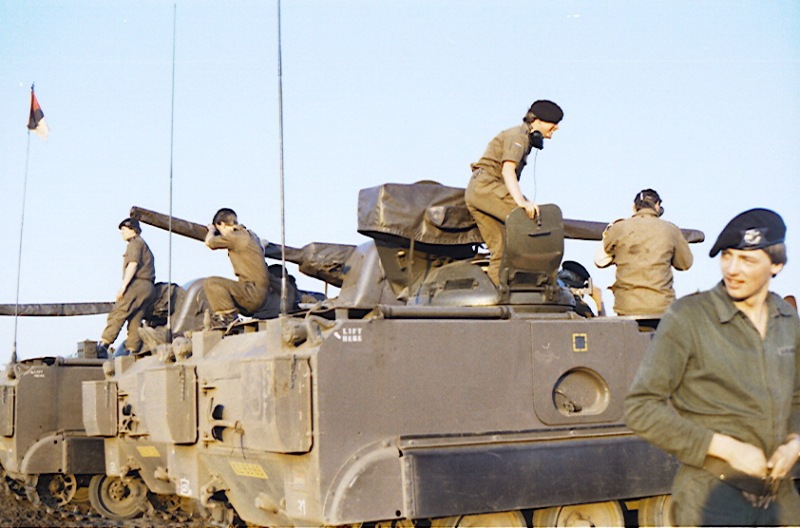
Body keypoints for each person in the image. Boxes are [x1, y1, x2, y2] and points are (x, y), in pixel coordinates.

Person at [624, 208, 800, 526]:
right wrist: (724, 448)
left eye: (747, 260)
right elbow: (641, 407)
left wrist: (795, 443)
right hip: (711, 503)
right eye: (727, 256)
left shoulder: (788, 321)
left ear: (776, 264)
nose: (732, 269)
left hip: (781, 505)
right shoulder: (689, 317)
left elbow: (797, 397)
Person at [465, 100, 563, 285]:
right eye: (553, 122)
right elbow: (508, 170)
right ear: (537, 121)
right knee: (532, 223)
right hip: (488, 187)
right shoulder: (519, 136)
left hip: (479, 191)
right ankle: (545, 284)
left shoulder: (523, 137)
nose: (556, 127)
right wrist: (521, 203)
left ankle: (498, 294)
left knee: (501, 249)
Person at [595, 189, 693, 316]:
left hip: (627, 308)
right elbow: (685, 264)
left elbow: (600, 260)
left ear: (634, 208)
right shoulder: (671, 230)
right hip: (662, 308)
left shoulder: (618, 228)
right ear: (657, 205)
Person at [97, 218, 156, 357]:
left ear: (132, 230)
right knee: (136, 318)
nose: (122, 233)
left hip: (137, 284)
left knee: (119, 311)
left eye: (124, 230)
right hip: (149, 287)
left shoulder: (135, 243)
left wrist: (123, 287)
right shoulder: (143, 244)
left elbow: (133, 264)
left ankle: (104, 345)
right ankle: (132, 349)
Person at [203, 208, 270, 327]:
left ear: (222, 224)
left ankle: (228, 318)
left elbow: (210, 242)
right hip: (261, 295)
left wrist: (211, 230)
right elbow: (262, 245)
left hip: (251, 293)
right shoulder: (251, 235)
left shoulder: (235, 237)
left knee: (211, 283)